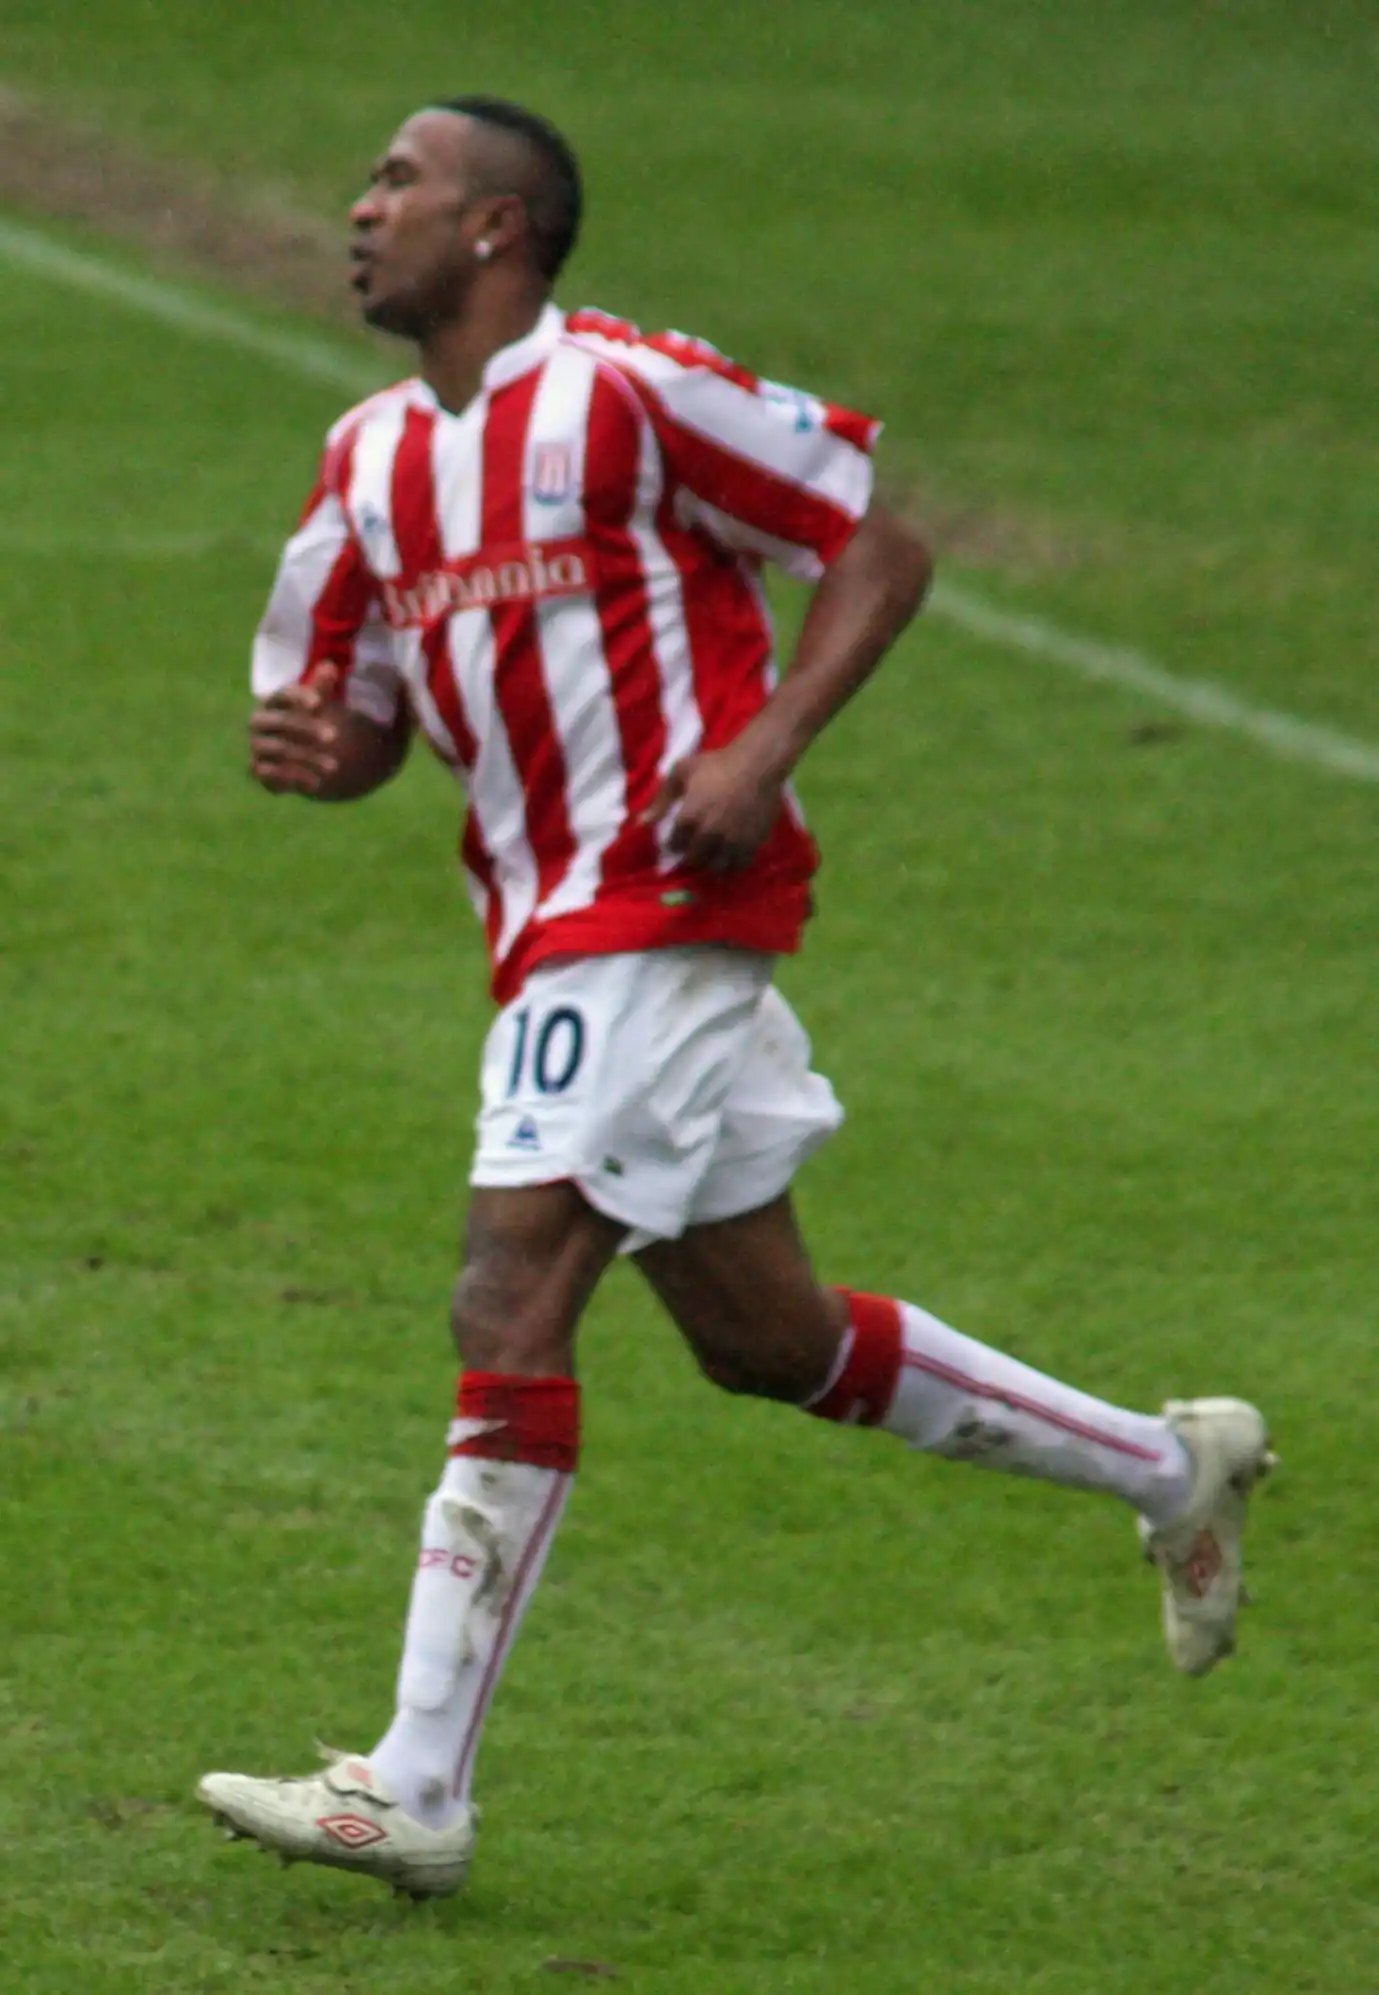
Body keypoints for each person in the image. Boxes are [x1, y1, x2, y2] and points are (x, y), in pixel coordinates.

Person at [197, 95, 1274, 1901]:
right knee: (764, 1336)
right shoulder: (365, 459)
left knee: (509, 1283)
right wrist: (319, 751)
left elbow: (878, 544)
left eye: (399, 181)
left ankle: (416, 1787)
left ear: (497, 227)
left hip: (665, 898)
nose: (360, 207)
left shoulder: (626, 391)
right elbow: (358, 717)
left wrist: (762, 748)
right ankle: (1171, 1469)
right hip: (544, 921)